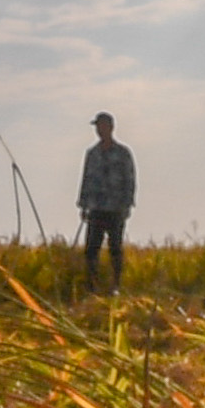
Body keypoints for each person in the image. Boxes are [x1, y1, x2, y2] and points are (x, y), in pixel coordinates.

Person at [74, 112, 136, 294]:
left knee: (115, 248)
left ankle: (116, 285)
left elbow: (130, 179)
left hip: (116, 208)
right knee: (91, 249)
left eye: (102, 126)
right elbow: (85, 178)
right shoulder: (92, 154)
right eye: (97, 127)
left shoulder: (123, 153)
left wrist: (128, 204)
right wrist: (83, 204)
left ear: (110, 127)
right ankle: (92, 286)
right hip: (96, 208)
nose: (99, 130)